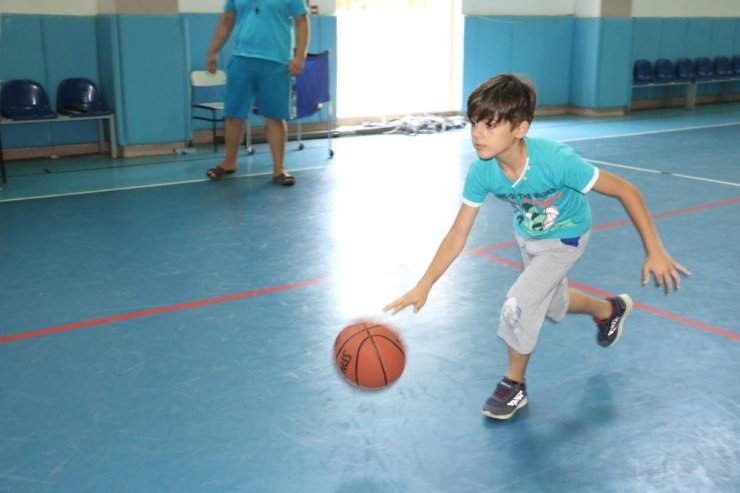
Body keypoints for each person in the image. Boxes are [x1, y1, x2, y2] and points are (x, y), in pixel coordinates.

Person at [384, 74, 690, 420]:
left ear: (520, 128)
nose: (477, 134)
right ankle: (609, 311)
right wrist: (425, 283)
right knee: (549, 301)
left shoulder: (556, 161)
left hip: (567, 234)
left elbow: (625, 190)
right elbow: (458, 233)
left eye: (490, 124)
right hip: (528, 236)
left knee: (520, 303)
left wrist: (655, 248)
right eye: (474, 123)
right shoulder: (483, 170)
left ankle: (514, 384)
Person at [205, 0, 310, 185]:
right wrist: (213, 50)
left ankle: (279, 168)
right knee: (233, 114)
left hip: (276, 61)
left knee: (275, 116)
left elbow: (302, 22)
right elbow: (226, 21)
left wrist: (300, 56)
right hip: (241, 59)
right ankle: (229, 162)